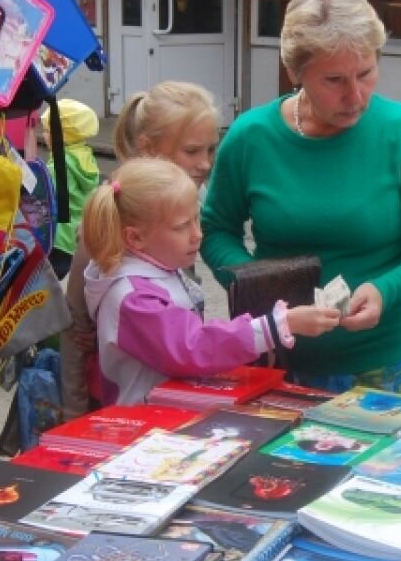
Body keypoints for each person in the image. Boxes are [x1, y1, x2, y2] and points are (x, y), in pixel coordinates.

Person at [201, 0, 401, 395]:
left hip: (379, 367)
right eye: (334, 81)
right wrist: (256, 288)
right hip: (275, 361)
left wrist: (384, 290)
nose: (356, 96)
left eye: (366, 72)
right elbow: (216, 231)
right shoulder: (251, 137)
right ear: (294, 73)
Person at [79, 159, 340, 406]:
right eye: (182, 226)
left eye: (197, 219)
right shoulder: (133, 298)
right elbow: (193, 347)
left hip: (162, 418)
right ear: (135, 238)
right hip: (143, 427)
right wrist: (277, 326)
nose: (197, 234)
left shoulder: (154, 269)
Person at [61, 83, 222, 418]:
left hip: (170, 393)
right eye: (192, 151)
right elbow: (75, 326)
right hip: (121, 405)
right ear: (148, 148)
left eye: (210, 150)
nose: (205, 164)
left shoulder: (188, 198)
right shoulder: (114, 212)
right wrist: (73, 414)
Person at [41, 99, 101, 280]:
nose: (43, 135)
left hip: (59, 238)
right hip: (78, 235)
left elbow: (41, 195)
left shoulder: (59, 165)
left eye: (46, 131)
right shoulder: (84, 155)